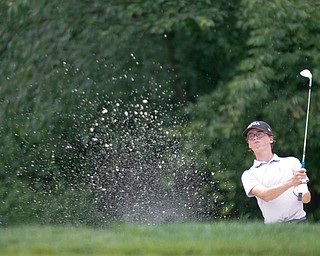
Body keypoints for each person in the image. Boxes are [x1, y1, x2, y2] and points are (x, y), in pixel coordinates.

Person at [241, 121, 311, 224]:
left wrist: (301, 191)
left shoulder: (292, 162)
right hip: (273, 229)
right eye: (251, 136)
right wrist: (291, 182)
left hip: (300, 223)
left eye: (260, 134)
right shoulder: (248, 175)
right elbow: (265, 195)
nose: (255, 138)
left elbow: (306, 198)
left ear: (271, 139)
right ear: (249, 145)